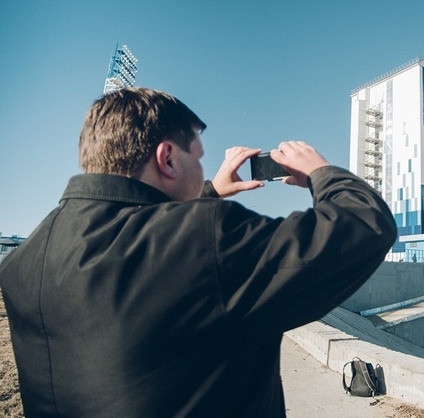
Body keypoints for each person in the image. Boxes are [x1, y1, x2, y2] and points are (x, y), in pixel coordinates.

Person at [0, 87, 396, 417]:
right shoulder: (206, 237)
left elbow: (151, 245)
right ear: (168, 158)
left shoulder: (26, 259)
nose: (205, 169)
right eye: (199, 158)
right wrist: (321, 173)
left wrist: (209, 192)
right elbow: (366, 225)